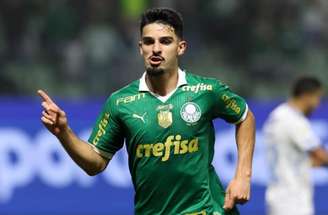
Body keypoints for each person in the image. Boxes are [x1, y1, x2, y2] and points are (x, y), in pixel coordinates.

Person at [38, 8, 256, 215]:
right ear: (140, 47)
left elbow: (244, 116)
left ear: (181, 47)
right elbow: (95, 163)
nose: (156, 48)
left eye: (165, 41)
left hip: (205, 209)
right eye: (149, 42)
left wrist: (242, 176)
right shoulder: (121, 102)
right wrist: (63, 133)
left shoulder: (206, 91)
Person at [263, 76, 328, 215]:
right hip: (293, 200)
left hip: (277, 196)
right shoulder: (294, 120)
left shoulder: (277, 115)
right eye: (317, 98)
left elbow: (296, 159)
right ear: (306, 96)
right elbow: (321, 156)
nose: (318, 104)